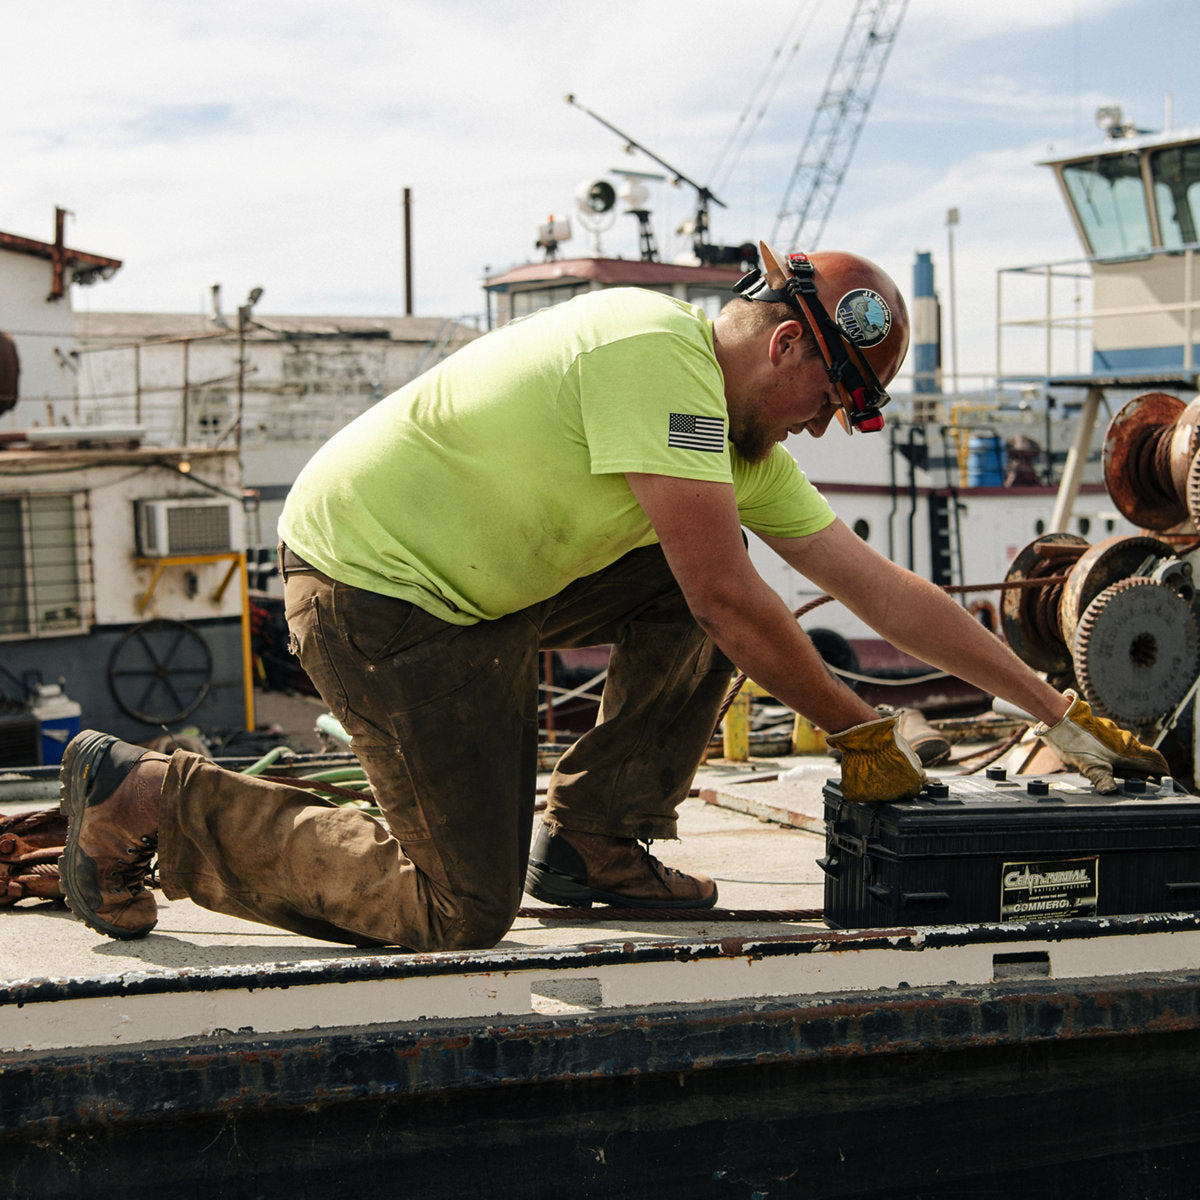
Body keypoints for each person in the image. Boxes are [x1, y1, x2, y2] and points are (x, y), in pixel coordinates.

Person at [57, 243, 1169, 950]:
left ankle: (592, 837)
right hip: (375, 593)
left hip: (479, 595)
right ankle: (146, 796)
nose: (825, 429)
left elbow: (879, 589)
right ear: (788, 344)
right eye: (833, 401)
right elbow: (726, 598)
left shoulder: (734, 442)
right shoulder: (653, 354)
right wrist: (857, 730)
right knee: (457, 911)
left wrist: (1057, 711)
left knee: (708, 589)